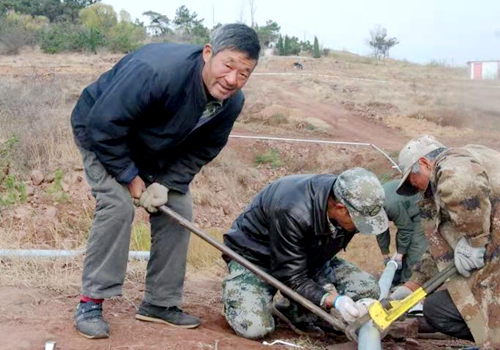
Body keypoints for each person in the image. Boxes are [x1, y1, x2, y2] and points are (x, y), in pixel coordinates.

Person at [70, 24, 261, 339]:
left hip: (151, 147)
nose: (232, 80)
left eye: (244, 74)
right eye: (228, 66)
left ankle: (160, 303)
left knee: (179, 207)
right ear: (208, 53)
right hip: (101, 133)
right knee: (117, 207)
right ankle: (91, 301)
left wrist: (167, 183)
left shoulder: (231, 102)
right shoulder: (157, 71)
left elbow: (203, 149)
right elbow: (104, 124)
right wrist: (130, 178)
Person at [222, 168, 389, 339]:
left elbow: (321, 258)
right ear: (340, 208)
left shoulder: (349, 197)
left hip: (306, 258)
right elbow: (290, 276)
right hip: (256, 258)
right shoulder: (292, 211)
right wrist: (331, 299)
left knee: (366, 288)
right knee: (254, 327)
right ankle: (239, 298)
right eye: (358, 223)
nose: (359, 228)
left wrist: (327, 288)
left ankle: (293, 312)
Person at [391, 135, 500, 348]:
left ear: (423, 163)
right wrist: (412, 286)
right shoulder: (474, 160)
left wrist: (475, 240)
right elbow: (441, 247)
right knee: (437, 308)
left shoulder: (451, 161)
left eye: (414, 182)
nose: (418, 190)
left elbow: (462, 182)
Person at [376, 180, 427, 285]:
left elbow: (405, 229)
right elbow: (380, 230)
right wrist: (385, 254)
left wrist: (400, 254)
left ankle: (408, 282)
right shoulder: (371, 208)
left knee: (415, 248)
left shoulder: (390, 205)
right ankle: (399, 277)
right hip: (404, 209)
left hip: (420, 208)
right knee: (402, 248)